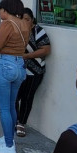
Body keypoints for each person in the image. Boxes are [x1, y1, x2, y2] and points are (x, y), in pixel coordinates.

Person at [0, 0, 31, 153]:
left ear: (5, 10)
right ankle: (7, 138)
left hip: (5, 64)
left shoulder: (7, 24)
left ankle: (9, 146)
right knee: (11, 105)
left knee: (4, 108)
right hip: (19, 65)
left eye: (0, 10)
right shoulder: (24, 23)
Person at [15, 8, 50, 136]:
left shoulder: (38, 31)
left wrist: (27, 56)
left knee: (27, 97)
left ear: (32, 20)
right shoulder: (17, 31)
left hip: (34, 71)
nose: (24, 22)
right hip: (18, 70)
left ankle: (21, 123)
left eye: (27, 19)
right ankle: (14, 120)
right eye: (21, 19)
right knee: (14, 97)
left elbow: (46, 50)